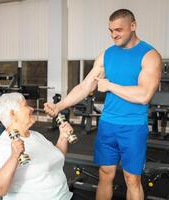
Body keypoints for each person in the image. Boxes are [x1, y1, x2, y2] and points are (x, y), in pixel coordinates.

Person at [44, 9, 162, 200]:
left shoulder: (149, 55)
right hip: (107, 124)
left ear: (133, 26)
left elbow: (144, 95)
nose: (114, 34)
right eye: (111, 30)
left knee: (132, 179)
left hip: (133, 126)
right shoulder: (106, 55)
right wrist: (60, 106)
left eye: (119, 30)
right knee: (105, 174)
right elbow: (85, 86)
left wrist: (109, 85)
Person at [0, 92, 73, 200]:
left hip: (66, 196)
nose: (31, 108)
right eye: (26, 105)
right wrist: (14, 157)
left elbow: (57, 156)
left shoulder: (36, 136)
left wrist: (63, 137)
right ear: (13, 114)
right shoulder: (1, 147)